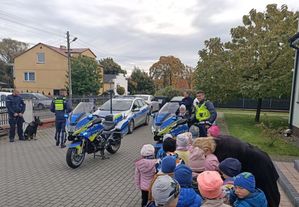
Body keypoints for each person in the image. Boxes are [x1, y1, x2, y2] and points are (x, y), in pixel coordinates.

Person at [196, 135, 280, 207]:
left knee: (268, 190)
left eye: (203, 154)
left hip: (259, 164)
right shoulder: (218, 141)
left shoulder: (223, 151)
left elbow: (230, 170)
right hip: (258, 157)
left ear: (206, 149)